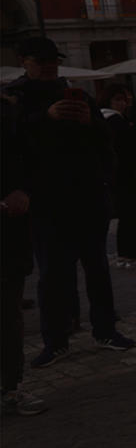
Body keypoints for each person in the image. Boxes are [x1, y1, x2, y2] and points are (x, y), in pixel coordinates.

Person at [13, 37, 135, 365]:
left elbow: (104, 140)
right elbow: (12, 142)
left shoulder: (77, 94)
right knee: (53, 274)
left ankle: (106, 329)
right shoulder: (16, 98)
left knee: (97, 268)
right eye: (41, 61)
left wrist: (89, 122)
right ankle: (56, 340)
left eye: (53, 60)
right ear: (24, 61)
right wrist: (46, 117)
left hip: (88, 194)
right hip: (48, 200)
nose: (50, 66)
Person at [1, 83, 46, 414]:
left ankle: (9, 387)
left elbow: (26, 158)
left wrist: (22, 189)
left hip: (8, 231)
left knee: (7, 312)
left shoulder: (8, 112)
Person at [99, 84, 136, 269]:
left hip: (113, 174)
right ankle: (129, 255)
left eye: (124, 100)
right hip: (124, 174)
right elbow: (130, 149)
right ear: (109, 101)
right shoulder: (116, 122)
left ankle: (125, 255)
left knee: (127, 216)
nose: (122, 104)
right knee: (130, 215)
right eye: (118, 100)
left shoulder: (103, 119)